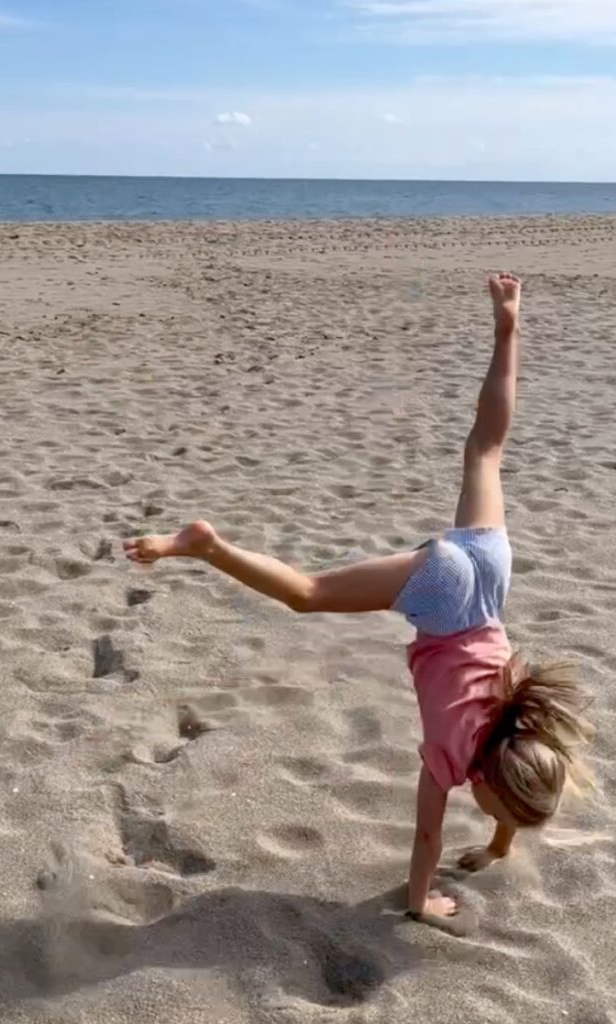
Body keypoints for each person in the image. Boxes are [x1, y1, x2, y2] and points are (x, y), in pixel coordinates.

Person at [123, 273, 592, 925]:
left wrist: (497, 846)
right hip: (444, 593)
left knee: (487, 451)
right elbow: (426, 836)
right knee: (308, 594)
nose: (494, 813)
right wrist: (421, 902)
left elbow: (517, 787)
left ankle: (507, 326)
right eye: (499, 816)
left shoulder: (525, 732)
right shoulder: (451, 757)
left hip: (489, 576)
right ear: (485, 786)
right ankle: (208, 546)